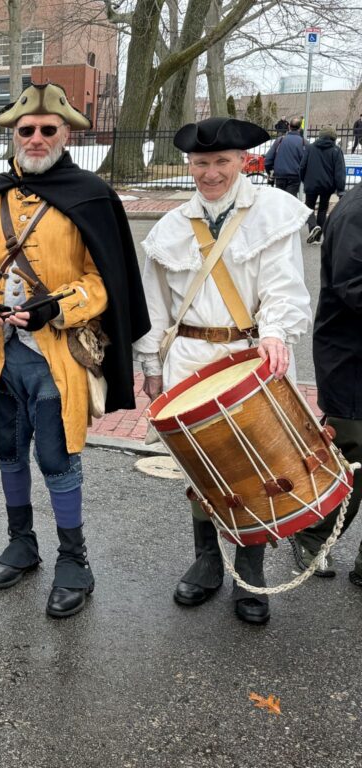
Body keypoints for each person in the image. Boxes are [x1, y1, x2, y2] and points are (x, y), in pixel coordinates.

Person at [0, 83, 149, 619]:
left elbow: (104, 280)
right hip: (0, 357)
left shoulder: (90, 194)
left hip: (57, 359)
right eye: (26, 130)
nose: (36, 138)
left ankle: (74, 559)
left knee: (57, 459)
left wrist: (55, 307)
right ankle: (22, 543)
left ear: (66, 134)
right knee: (10, 452)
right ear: (14, 135)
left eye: (47, 130)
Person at [135, 117, 312, 625]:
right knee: (202, 468)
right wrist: (150, 363)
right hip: (189, 358)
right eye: (201, 164)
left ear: (242, 162)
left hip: (253, 356)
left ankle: (250, 575)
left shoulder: (274, 214)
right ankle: (209, 561)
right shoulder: (170, 228)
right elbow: (156, 304)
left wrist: (277, 333)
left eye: (221, 162)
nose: (210, 173)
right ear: (189, 165)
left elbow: (284, 285)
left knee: (257, 469)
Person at [288, 183, 362, 586]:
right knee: (352, 457)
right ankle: (312, 535)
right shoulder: (356, 211)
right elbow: (354, 287)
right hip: (351, 360)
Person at [299, 126, 346, 244]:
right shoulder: (336, 150)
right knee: (322, 209)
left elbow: (302, 166)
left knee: (308, 207)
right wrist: (340, 189)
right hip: (327, 185)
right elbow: (339, 172)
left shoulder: (310, 148)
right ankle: (318, 236)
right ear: (333, 137)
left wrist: (304, 179)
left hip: (311, 183)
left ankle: (313, 228)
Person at [264, 117, 306, 195]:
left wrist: (270, 172)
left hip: (280, 175)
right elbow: (306, 162)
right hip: (295, 176)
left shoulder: (279, 140)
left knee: (280, 199)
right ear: (300, 128)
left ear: (289, 126)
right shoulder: (303, 142)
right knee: (290, 200)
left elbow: (268, 160)